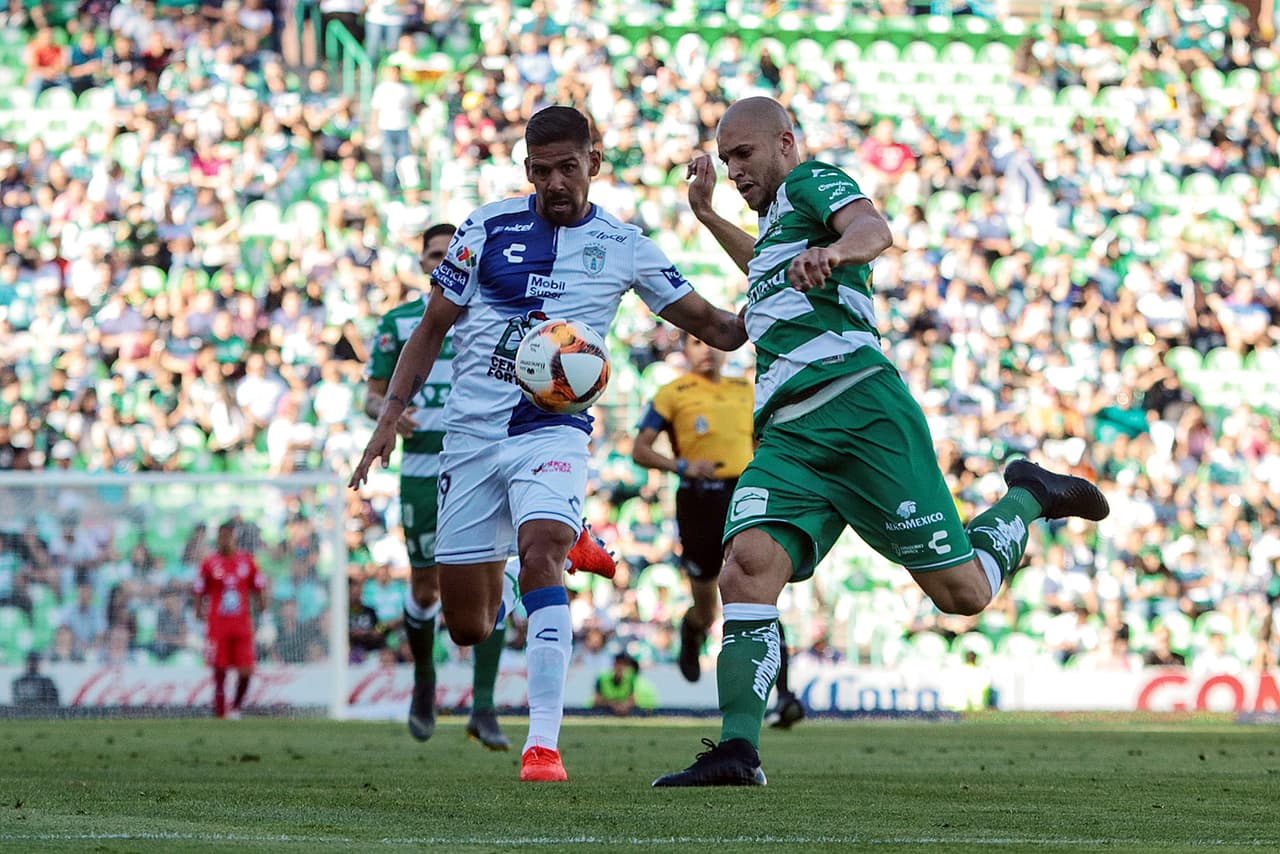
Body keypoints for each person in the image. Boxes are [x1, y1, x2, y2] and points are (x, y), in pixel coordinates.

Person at [653, 97, 1110, 787]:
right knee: (744, 566)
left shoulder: (812, 182)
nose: (735, 169)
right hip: (789, 438)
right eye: (725, 159)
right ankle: (738, 751)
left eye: (744, 154)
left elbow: (874, 228)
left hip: (861, 412)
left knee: (962, 595)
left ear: (785, 144)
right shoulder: (775, 229)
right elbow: (763, 265)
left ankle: (1029, 496)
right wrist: (708, 214)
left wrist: (835, 252)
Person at [351, 105, 747, 782]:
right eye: (542, 171)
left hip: (553, 431)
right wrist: (389, 417)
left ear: (594, 162)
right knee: (469, 626)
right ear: (527, 171)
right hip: (471, 439)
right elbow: (432, 326)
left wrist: (775, 293)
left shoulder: (622, 245)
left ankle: (542, 745)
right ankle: (559, 537)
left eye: (568, 167)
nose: (556, 182)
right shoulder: (485, 227)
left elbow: (719, 328)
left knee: (542, 556)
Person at [365, 222, 512, 750]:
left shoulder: (498, 312)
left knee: (494, 582)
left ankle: (484, 706)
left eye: (452, 253)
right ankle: (424, 681)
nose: (443, 261)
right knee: (426, 587)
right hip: (424, 469)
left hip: (486, 462)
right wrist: (387, 414)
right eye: (434, 255)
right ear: (423, 264)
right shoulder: (401, 322)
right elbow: (372, 394)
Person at [632, 332, 812, 723]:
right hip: (698, 500)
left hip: (744, 495)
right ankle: (693, 627)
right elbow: (640, 450)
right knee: (709, 608)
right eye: (697, 343)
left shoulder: (747, 391)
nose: (708, 350)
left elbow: (766, 439)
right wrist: (680, 466)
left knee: (761, 589)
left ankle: (784, 695)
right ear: (685, 349)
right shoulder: (672, 393)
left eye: (713, 343)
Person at [194, 520, 266, 720]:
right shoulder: (209, 563)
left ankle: (235, 707)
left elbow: (258, 588)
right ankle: (220, 713)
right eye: (221, 536)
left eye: (227, 536)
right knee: (220, 669)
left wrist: (265, 614)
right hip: (218, 625)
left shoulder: (247, 561)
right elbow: (199, 590)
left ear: (235, 537)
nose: (224, 540)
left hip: (242, 625)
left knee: (246, 669)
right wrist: (198, 614)